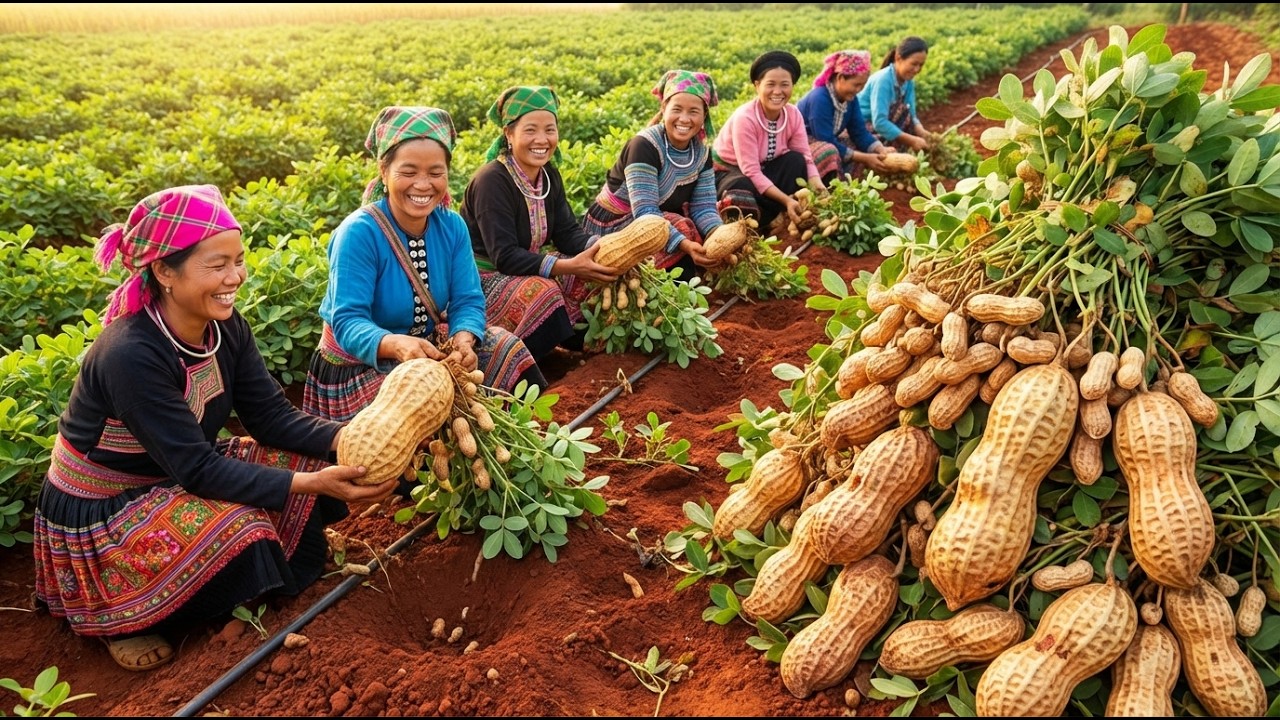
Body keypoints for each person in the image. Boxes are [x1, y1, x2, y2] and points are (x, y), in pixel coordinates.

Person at [31, 185, 395, 672]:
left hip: (178, 474)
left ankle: (252, 573)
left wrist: (353, 438)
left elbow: (270, 417)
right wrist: (308, 485)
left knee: (314, 466)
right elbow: (198, 470)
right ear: (164, 271)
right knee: (244, 528)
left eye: (238, 260)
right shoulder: (130, 355)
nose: (235, 277)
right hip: (107, 505)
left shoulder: (225, 324)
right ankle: (121, 619)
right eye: (216, 265)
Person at [305, 106, 544, 423]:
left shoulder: (452, 226)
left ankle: (529, 432)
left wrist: (463, 338)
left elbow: (467, 298)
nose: (423, 184)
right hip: (359, 365)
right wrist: (394, 344)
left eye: (435, 173)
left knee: (504, 347)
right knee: (414, 412)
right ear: (384, 172)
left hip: (425, 352)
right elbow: (348, 322)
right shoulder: (358, 233)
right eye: (408, 172)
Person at [459, 87, 616, 371]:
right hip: (481, 277)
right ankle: (531, 366)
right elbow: (504, 257)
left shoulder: (549, 175)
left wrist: (605, 247)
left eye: (550, 130)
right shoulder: (491, 181)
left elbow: (567, 233)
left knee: (592, 276)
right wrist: (566, 267)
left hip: (521, 267)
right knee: (544, 291)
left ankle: (580, 349)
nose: (542, 140)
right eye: (530, 130)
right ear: (509, 134)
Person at [581, 69, 725, 279]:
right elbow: (645, 211)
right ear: (664, 108)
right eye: (677, 109)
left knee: (700, 225)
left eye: (694, 111)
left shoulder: (701, 152)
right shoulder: (644, 145)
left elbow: (703, 206)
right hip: (617, 223)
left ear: (704, 116)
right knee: (681, 227)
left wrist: (718, 235)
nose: (684, 119)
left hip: (659, 220)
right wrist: (685, 245)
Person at [712, 50, 826, 230]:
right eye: (770, 84)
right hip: (730, 172)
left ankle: (779, 214)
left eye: (785, 85)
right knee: (741, 188)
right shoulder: (746, 118)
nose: (778, 92)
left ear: (793, 86)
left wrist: (821, 190)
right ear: (757, 85)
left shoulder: (793, 114)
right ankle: (764, 222)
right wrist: (787, 199)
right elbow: (750, 171)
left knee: (796, 161)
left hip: (764, 168)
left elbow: (805, 156)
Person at [798, 49, 894, 183]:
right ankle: (824, 187)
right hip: (802, 147)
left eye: (862, 85)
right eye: (856, 85)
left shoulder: (851, 99)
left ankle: (847, 184)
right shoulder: (819, 98)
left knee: (860, 143)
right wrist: (865, 157)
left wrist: (879, 149)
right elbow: (825, 140)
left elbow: (859, 132)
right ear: (840, 78)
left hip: (825, 141)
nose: (859, 90)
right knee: (829, 151)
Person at [858, 36, 933, 153]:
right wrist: (912, 140)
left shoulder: (908, 82)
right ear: (898, 58)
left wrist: (922, 132)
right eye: (914, 64)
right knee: (900, 113)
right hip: (863, 125)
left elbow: (911, 114)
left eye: (921, 65)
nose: (917, 69)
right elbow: (879, 122)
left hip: (880, 125)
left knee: (905, 114)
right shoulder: (883, 80)